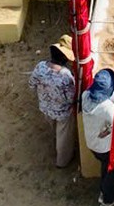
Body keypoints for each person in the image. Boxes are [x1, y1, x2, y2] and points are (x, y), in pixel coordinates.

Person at [30, 41, 79, 170]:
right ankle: (62, 161)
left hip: (45, 107)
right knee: (64, 138)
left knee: (54, 129)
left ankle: (56, 142)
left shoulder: (40, 66)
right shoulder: (65, 75)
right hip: (62, 112)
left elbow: (32, 84)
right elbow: (71, 97)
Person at [79, 69, 114, 206]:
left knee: (105, 167)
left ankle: (105, 190)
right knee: (111, 171)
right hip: (105, 147)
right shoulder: (107, 108)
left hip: (91, 143)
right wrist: (107, 131)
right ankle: (107, 199)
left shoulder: (85, 95)